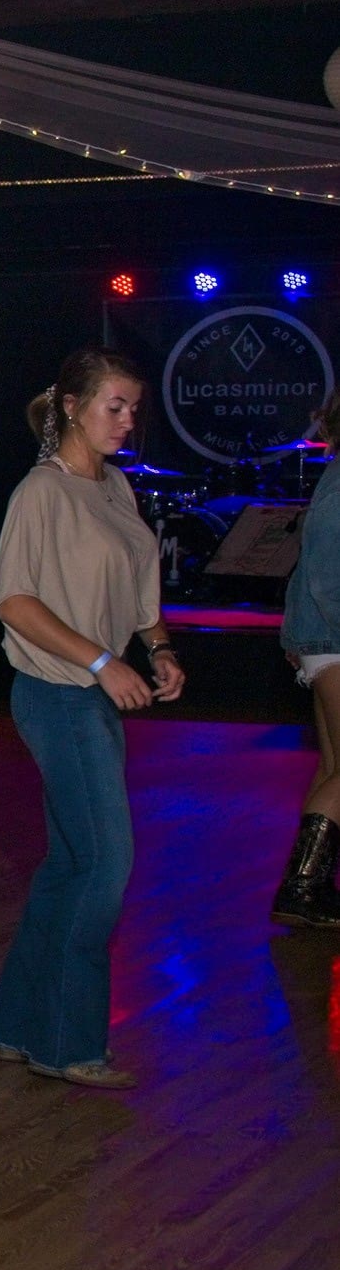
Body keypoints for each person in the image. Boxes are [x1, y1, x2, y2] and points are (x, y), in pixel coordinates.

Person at [0, 351, 184, 1087]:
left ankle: (16, 1025)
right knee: (104, 865)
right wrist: (102, 661)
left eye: (133, 409)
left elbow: (138, 593)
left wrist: (158, 648)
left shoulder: (115, 486)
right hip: (56, 693)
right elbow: (13, 600)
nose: (127, 422)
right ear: (71, 405)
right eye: (114, 406)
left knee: (72, 863)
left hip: (92, 694)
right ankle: (68, 1044)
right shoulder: (42, 491)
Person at [272, 391, 340, 929]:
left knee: (333, 767)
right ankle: (303, 888)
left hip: (323, 642)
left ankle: (309, 885)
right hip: (334, 642)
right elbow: (324, 578)